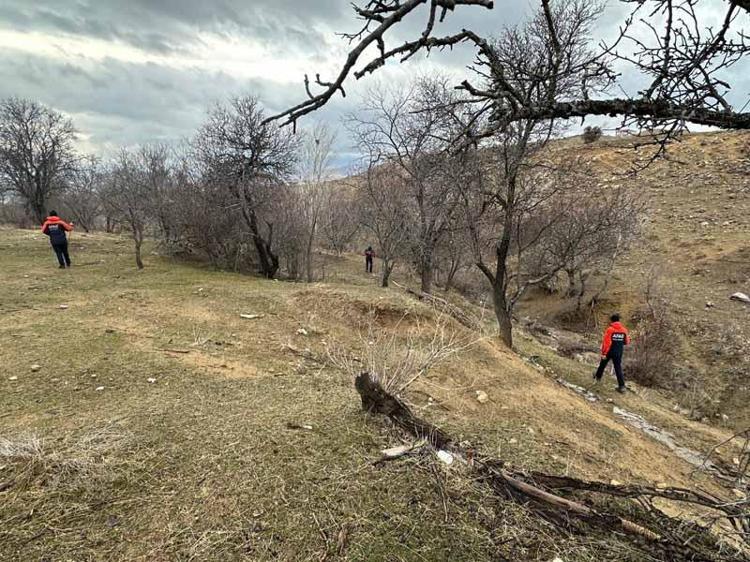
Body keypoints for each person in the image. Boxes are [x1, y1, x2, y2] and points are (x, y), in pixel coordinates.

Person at [593, 314, 631, 393]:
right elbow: (627, 342)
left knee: (603, 364)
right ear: (619, 320)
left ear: (612, 320)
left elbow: (606, 343)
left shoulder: (610, 329)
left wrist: (604, 353)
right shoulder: (624, 330)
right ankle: (622, 386)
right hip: (619, 352)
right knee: (618, 368)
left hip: (609, 351)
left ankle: (597, 377)